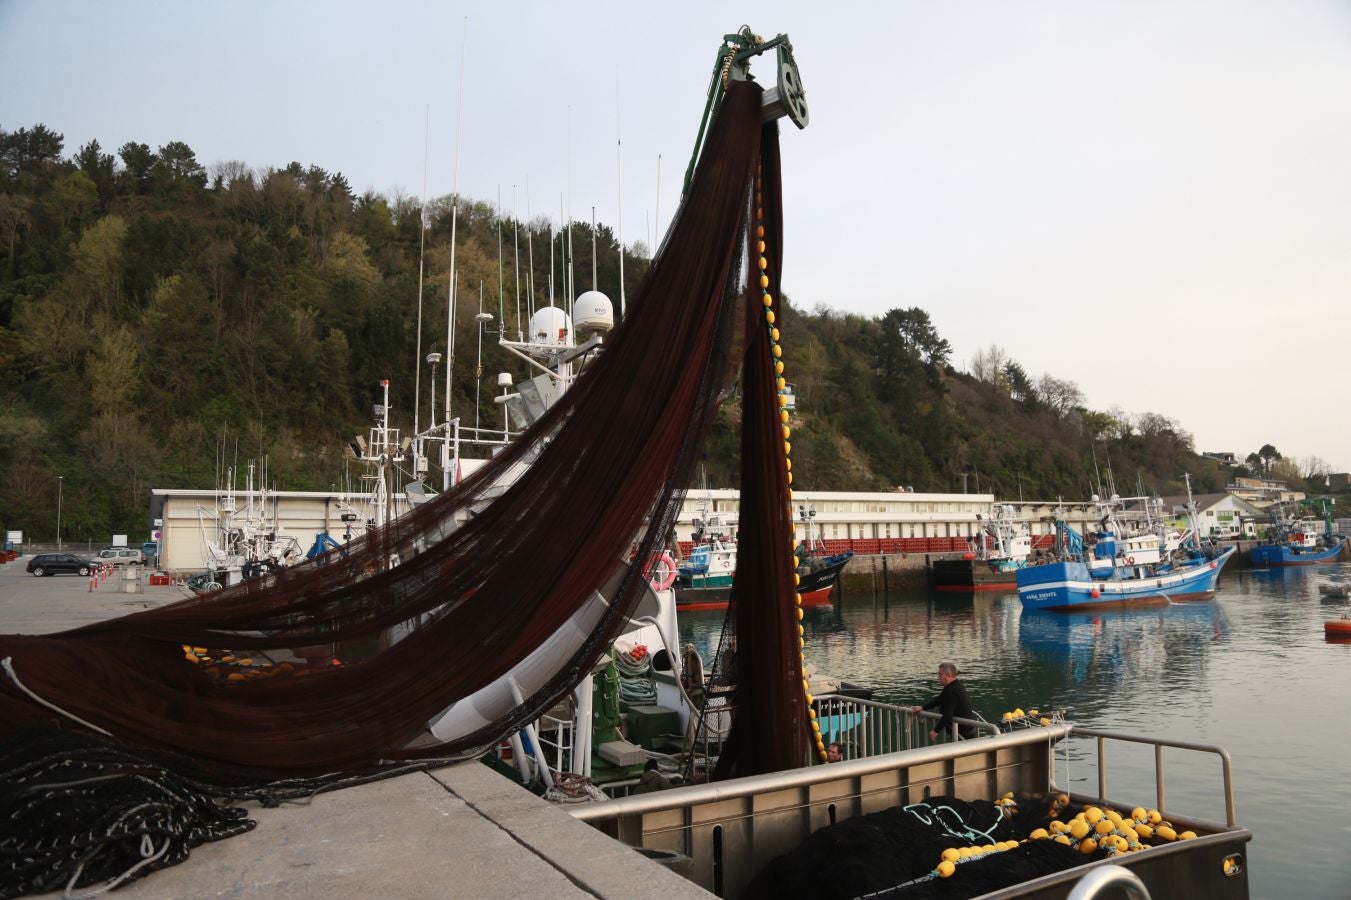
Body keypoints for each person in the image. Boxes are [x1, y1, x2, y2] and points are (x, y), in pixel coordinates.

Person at [910, 661, 977, 741]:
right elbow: (939, 699)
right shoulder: (953, 685)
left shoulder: (952, 691)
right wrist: (922, 707)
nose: (938, 677)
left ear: (948, 675)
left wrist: (935, 731)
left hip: (963, 734)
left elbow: (948, 715)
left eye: (940, 674)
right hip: (964, 730)